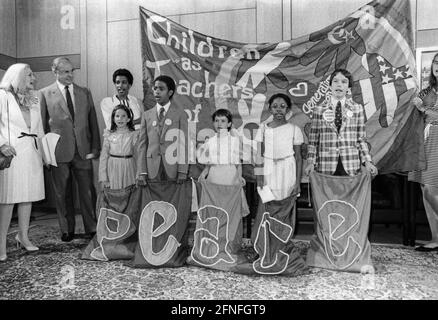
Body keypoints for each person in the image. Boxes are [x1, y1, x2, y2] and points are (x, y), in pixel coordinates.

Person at [39, 57, 101, 242]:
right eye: (65, 71)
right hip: (59, 152)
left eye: (71, 71)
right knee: (62, 192)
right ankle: (67, 230)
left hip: (83, 150)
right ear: (55, 71)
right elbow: (42, 126)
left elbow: (93, 122)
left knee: (88, 191)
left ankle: (91, 228)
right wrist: (45, 154)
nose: (70, 74)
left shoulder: (84, 92)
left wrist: (95, 146)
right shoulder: (44, 94)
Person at [0, 63, 44, 261]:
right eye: (29, 74)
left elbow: (39, 127)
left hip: (31, 152)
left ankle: (23, 237)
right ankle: (1, 244)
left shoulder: (34, 98)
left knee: (27, 197)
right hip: (12, 153)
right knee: (8, 199)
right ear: (16, 76)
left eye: (32, 74)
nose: (33, 78)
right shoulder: (2, 96)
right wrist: (1, 145)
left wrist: (44, 153)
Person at [304, 68, 378, 177]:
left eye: (344, 82)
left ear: (348, 87)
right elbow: (313, 140)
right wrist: (310, 162)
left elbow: (361, 139)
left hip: (351, 165)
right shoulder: (319, 109)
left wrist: (367, 161)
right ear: (330, 86)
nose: (339, 85)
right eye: (335, 81)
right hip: (326, 165)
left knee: (350, 193)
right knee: (327, 193)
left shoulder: (357, 108)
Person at [409, 53, 438, 252]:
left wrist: (425, 111)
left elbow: (427, 112)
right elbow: (412, 112)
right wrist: (414, 106)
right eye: (436, 62)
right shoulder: (426, 91)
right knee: (427, 190)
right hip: (427, 142)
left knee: (431, 189)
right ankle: (436, 238)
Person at [136, 75, 188, 185]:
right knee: (153, 201)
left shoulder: (180, 114)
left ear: (170, 92)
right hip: (151, 168)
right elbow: (142, 145)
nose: (157, 92)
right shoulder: (146, 115)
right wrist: (142, 172)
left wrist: (182, 171)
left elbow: (184, 144)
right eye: (155, 88)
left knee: (172, 200)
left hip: (173, 168)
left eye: (161, 89)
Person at [255, 93, 303, 201]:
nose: (278, 110)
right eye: (275, 106)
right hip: (268, 171)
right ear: (270, 109)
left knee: (286, 206)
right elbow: (259, 156)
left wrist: (297, 183)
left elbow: (298, 159)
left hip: (287, 171)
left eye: (282, 106)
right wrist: (259, 178)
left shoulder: (294, 129)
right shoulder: (262, 129)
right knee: (268, 206)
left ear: (288, 109)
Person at [99, 104, 138, 189]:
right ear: (113, 118)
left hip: (129, 167)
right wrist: (103, 178)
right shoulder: (109, 135)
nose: (120, 119)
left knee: (130, 195)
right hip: (113, 169)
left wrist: (139, 174)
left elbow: (138, 156)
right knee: (114, 196)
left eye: (123, 116)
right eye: (117, 116)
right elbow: (103, 157)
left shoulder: (133, 135)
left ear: (128, 119)